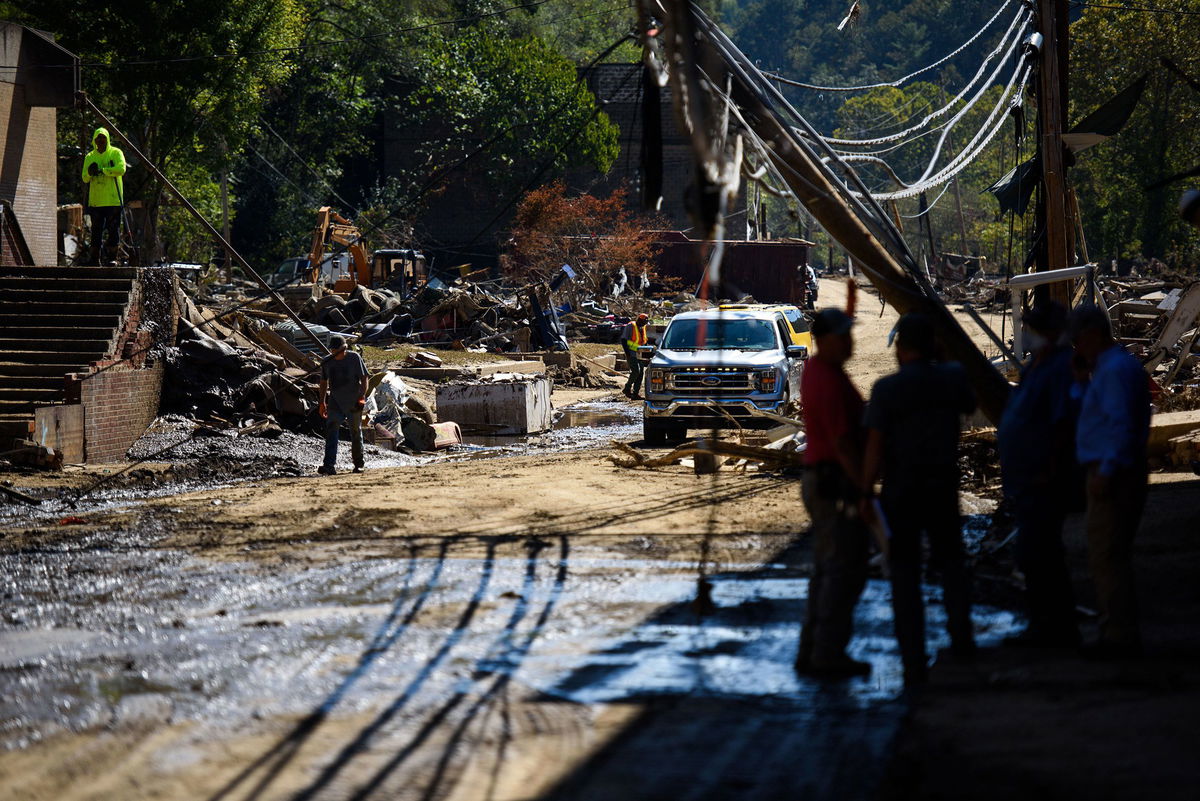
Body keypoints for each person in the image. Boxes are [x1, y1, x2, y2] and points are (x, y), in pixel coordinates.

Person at [862, 313, 976, 687]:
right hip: (942, 485)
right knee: (952, 564)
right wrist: (943, 357)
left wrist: (865, 492)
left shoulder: (886, 390)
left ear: (900, 347)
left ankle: (912, 655)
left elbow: (875, 448)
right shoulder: (953, 379)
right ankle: (962, 642)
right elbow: (968, 404)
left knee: (905, 572)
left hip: (902, 491)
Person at [1069, 304, 1151, 658]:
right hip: (1113, 469)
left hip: (1114, 474)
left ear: (1093, 335)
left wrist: (1106, 470)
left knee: (1107, 556)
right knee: (1107, 555)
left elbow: (1122, 426)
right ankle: (1116, 628)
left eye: (1079, 339)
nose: (1077, 346)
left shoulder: (1116, 370)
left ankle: (1119, 636)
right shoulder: (1110, 368)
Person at [997, 302, 1081, 647]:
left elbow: (1063, 423)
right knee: (1034, 552)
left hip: (1043, 478)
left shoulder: (1062, 367)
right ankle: (1046, 624)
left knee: (1039, 551)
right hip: (1027, 476)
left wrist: (1048, 468)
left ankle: (1054, 628)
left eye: (1033, 327)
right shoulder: (1039, 364)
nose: (1027, 332)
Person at [795, 308, 871, 678]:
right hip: (834, 481)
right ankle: (826, 652)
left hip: (825, 478)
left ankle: (813, 649)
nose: (849, 342)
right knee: (843, 570)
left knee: (828, 568)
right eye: (842, 336)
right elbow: (842, 441)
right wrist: (864, 488)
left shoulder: (821, 371)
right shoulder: (826, 378)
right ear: (823, 340)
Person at [318, 334, 368, 476]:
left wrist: (362, 396)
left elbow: (364, 378)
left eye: (336, 351)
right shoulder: (327, 362)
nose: (334, 354)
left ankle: (359, 464)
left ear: (344, 349)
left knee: (355, 432)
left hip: (353, 402)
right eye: (332, 351)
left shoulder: (354, 358)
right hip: (335, 403)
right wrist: (322, 402)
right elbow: (323, 382)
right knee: (331, 430)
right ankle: (329, 465)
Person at [81, 127, 127, 266]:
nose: (100, 140)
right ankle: (95, 259)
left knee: (113, 230)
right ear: (94, 140)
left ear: (107, 139)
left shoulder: (115, 153)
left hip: (113, 200)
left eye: (103, 138)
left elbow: (121, 169)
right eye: (98, 138)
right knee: (96, 231)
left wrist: (104, 171)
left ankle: (113, 258)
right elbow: (84, 178)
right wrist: (90, 172)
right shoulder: (90, 156)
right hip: (96, 201)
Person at [622, 313, 650, 399]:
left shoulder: (642, 328)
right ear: (640, 320)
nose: (644, 324)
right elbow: (623, 340)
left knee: (641, 373)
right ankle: (627, 388)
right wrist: (627, 353)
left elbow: (644, 342)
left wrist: (648, 352)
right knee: (636, 371)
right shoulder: (630, 326)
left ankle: (635, 393)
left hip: (640, 354)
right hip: (631, 353)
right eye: (643, 322)